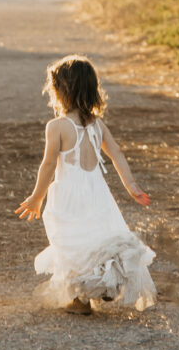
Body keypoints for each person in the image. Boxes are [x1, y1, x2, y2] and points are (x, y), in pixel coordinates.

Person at [15, 54, 156, 314]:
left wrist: (37, 197)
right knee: (98, 237)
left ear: (62, 92)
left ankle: (81, 300)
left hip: (69, 195)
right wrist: (131, 186)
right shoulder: (97, 124)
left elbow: (48, 166)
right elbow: (117, 154)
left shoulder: (57, 126)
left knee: (74, 242)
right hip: (97, 192)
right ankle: (104, 286)